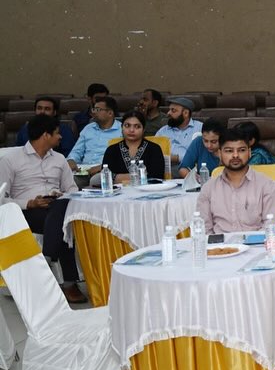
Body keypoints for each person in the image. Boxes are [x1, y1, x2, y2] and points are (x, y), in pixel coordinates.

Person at [0, 115, 86, 304]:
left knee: (60, 210)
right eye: (57, 133)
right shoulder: (10, 160)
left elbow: (72, 190)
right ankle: (69, 283)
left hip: (56, 206)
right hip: (25, 212)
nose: (60, 137)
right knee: (62, 224)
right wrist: (29, 203)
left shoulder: (59, 159)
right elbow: (1, 198)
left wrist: (59, 194)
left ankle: (48, 257)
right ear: (46, 135)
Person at [196, 129, 275, 233]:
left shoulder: (266, 185)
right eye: (229, 151)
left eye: (241, 150)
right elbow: (204, 229)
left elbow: (272, 226)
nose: (235, 155)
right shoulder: (208, 188)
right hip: (220, 243)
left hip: (258, 242)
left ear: (249, 153)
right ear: (219, 154)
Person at [100, 111, 166, 183]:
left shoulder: (154, 149)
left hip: (147, 189)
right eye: (127, 125)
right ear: (122, 127)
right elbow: (106, 176)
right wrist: (141, 175)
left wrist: (119, 177)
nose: (131, 130)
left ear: (143, 129)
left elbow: (157, 177)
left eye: (137, 126)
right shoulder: (112, 150)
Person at [67, 95, 122, 174]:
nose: (94, 112)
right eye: (94, 109)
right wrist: (71, 160)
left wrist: (102, 167)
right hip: (84, 170)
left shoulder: (122, 130)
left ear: (110, 113)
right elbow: (76, 151)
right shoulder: (88, 128)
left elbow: (122, 158)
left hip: (107, 170)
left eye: (97, 109)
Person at [155, 96, 203, 165]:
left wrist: (177, 158)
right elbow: (154, 153)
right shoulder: (163, 131)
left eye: (173, 110)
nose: (168, 113)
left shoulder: (200, 128)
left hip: (191, 168)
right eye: (169, 110)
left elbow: (203, 154)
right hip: (166, 168)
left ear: (186, 113)